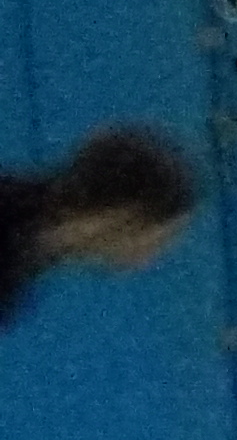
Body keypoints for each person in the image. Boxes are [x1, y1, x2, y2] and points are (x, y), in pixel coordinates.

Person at [1, 124, 198, 327]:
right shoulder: (13, 246)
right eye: (154, 240)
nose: (145, 260)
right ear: (122, 214)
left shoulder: (28, 251)